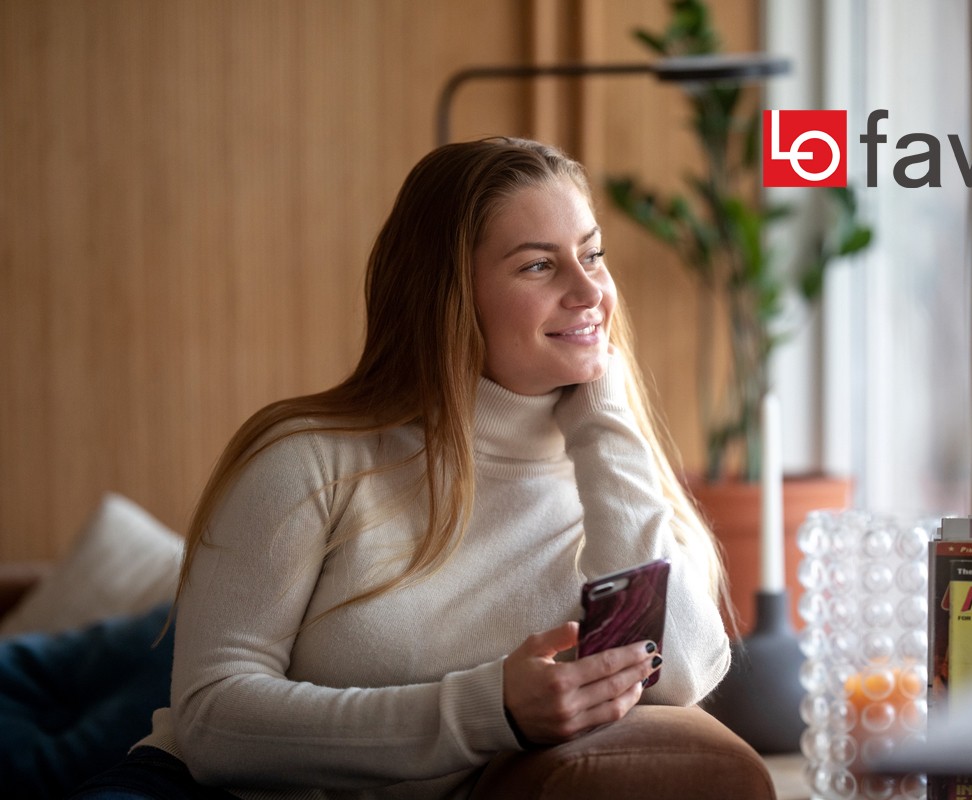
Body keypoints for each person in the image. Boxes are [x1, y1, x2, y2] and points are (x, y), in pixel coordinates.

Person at [73, 137, 731, 799]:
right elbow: (212, 720)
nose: (589, 290)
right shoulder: (309, 458)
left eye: (592, 255)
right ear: (449, 295)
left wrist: (607, 423)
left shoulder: (620, 482)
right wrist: (487, 710)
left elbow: (678, 673)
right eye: (539, 265)